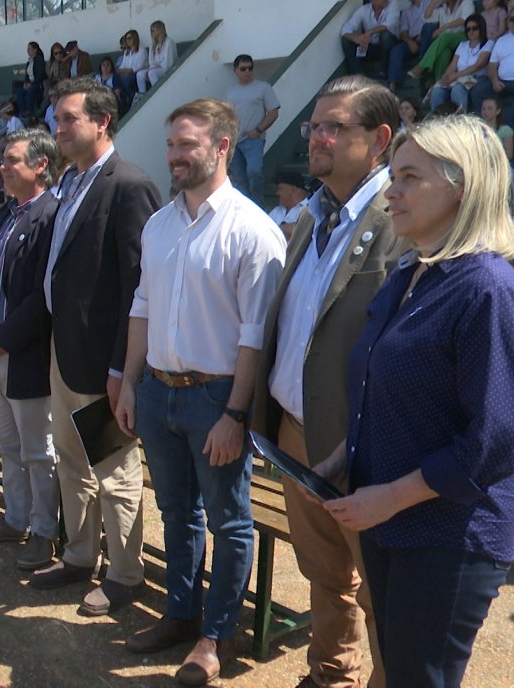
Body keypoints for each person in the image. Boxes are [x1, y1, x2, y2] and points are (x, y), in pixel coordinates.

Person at [319, 113, 514, 688]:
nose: (390, 191)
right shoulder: (411, 272)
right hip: (390, 518)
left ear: (462, 185)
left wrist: (391, 498)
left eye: (408, 177)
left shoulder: (487, 289)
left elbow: (494, 440)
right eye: (391, 176)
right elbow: (382, 383)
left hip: (448, 534)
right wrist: (342, 455)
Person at [116, 98, 284, 687]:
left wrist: (235, 414)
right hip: (159, 393)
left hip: (216, 399)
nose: (174, 156)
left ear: (221, 148)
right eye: (170, 145)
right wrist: (132, 382)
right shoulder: (160, 226)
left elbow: (253, 338)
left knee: (229, 521)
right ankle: (181, 614)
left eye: (186, 145)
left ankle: (217, 635)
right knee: (176, 512)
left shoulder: (253, 230)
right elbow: (142, 307)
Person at [251, 75, 405, 688]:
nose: (317, 136)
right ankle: (331, 672)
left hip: (365, 446)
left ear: (379, 139)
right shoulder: (308, 216)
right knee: (322, 570)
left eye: (336, 127)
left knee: (381, 590)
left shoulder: (400, 218)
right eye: (316, 124)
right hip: (295, 432)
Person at [30, 78, 162, 619]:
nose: (59, 129)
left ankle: (126, 574)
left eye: (69, 119)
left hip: (103, 363)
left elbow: (139, 285)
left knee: (114, 470)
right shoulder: (70, 180)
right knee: (71, 461)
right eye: (56, 120)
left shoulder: (128, 185)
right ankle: (80, 556)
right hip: (65, 351)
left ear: (102, 121)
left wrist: (120, 368)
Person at [0, 128, 60, 570]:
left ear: (41, 165)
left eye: (13, 161)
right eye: (3, 161)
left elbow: (41, 297)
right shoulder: (5, 213)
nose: (2, 168)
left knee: (38, 452)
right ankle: (17, 518)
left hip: (23, 357)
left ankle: (44, 532)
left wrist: (3, 340)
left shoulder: (49, 214)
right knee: (6, 444)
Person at [225, 54, 280, 202]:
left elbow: (273, 112)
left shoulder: (263, 88)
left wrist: (258, 130)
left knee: (254, 171)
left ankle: (259, 205)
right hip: (234, 140)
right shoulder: (230, 92)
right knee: (239, 178)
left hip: (253, 139)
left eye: (250, 68)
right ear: (235, 70)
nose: (247, 71)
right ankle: (248, 209)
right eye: (243, 69)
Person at [428, 13, 492, 113]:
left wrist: (455, 76)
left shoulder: (488, 43)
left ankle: (461, 121)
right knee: (437, 91)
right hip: (458, 78)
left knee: (457, 89)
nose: (471, 31)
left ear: (481, 28)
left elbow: (478, 65)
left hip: (476, 78)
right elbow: (453, 64)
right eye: (468, 29)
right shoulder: (462, 45)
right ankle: (435, 122)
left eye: (474, 28)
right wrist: (445, 76)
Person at [410, 0, 476, 82]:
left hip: (462, 38)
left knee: (444, 36)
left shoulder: (466, 3)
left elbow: (465, 19)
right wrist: (433, 3)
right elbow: (426, 18)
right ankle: (439, 83)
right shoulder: (443, 8)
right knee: (444, 54)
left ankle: (421, 66)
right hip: (445, 41)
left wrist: (443, 27)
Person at [471, 13, 514, 121]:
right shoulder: (502, 40)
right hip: (501, 81)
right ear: (508, 22)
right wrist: (494, 80)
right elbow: (492, 65)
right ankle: (484, 126)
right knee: (477, 92)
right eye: (512, 19)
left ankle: (505, 130)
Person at [341, 0, 399, 78]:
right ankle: (359, 75)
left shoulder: (392, 3)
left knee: (385, 36)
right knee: (347, 41)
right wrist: (357, 38)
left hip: (391, 45)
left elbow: (391, 23)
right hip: (372, 47)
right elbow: (345, 29)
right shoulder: (363, 10)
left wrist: (370, 32)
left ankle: (385, 71)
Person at [387, 0, 427, 92]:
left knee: (428, 30)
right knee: (396, 50)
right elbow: (403, 32)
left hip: (429, 39)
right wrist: (410, 42)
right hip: (413, 41)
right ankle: (393, 83)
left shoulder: (430, 3)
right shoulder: (406, 11)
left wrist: (423, 34)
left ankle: (421, 66)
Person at [136, 21, 176, 95]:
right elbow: (151, 62)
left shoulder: (169, 42)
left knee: (152, 73)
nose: (151, 32)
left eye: (153, 30)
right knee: (139, 74)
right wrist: (154, 66)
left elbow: (169, 63)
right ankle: (142, 95)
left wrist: (156, 66)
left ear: (159, 30)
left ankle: (157, 94)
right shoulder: (153, 44)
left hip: (167, 68)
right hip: (156, 68)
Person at [267, 170, 308, 238]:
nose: (277, 193)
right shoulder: (276, 211)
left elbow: (304, 231)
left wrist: (274, 229)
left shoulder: (309, 208)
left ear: (294, 189)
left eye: (280, 189)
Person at [15, 42, 46, 116]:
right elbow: (27, 75)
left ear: (35, 50)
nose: (28, 51)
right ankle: (22, 111)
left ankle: (29, 111)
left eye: (29, 49)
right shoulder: (29, 62)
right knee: (19, 91)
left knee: (30, 90)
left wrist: (31, 84)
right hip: (30, 83)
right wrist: (26, 83)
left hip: (38, 83)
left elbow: (41, 75)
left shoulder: (39, 60)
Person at [116, 29, 147, 101]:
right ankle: (123, 100)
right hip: (127, 73)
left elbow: (139, 67)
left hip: (138, 73)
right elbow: (122, 66)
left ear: (135, 38)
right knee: (115, 78)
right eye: (126, 39)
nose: (128, 41)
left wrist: (127, 70)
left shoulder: (142, 51)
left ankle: (131, 98)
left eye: (130, 38)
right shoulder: (126, 52)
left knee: (125, 79)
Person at [480, 95, 514, 161]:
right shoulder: (477, 129)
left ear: (498, 111)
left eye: (489, 108)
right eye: (483, 108)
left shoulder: (505, 130)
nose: (485, 111)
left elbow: (509, 155)